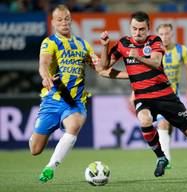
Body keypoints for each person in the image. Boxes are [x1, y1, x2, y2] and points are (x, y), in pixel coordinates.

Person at [99, 11, 187, 180]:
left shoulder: (154, 41)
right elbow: (104, 66)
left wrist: (138, 57)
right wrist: (104, 46)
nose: (138, 33)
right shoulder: (123, 43)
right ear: (130, 27)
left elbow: (155, 62)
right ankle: (161, 157)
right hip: (142, 96)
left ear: (148, 28)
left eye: (142, 29)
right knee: (144, 120)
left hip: (165, 95)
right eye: (134, 29)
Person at [29, 4, 128, 183]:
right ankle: (38, 133)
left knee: (73, 126)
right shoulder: (49, 42)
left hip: (75, 101)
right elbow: (43, 63)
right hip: (53, 100)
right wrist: (45, 77)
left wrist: (130, 74)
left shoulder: (82, 44)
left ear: (71, 20)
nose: (64, 22)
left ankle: (51, 167)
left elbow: (102, 69)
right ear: (53, 22)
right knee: (35, 149)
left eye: (66, 19)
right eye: (59, 19)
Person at [155, 23, 187, 169]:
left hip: (173, 94)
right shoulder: (153, 51)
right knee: (163, 123)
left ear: (171, 34)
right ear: (157, 35)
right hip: (156, 94)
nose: (164, 37)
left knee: (168, 125)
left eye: (167, 34)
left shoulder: (181, 50)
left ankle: (165, 151)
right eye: (161, 34)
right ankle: (165, 158)